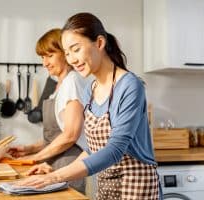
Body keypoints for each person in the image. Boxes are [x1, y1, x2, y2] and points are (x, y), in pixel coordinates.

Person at [15, 13, 162, 200]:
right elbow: (94, 148)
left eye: (76, 49)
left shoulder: (129, 85)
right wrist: (56, 169)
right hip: (106, 185)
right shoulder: (90, 90)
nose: (72, 59)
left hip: (136, 186)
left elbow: (115, 149)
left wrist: (56, 176)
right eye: (67, 53)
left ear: (99, 43)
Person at [8, 28, 87, 193]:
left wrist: (35, 157)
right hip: (50, 164)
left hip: (68, 164)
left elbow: (71, 135)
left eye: (50, 56)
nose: (45, 63)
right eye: (42, 57)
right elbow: (56, 134)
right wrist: (29, 149)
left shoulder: (73, 82)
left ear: (65, 53)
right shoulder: (58, 86)